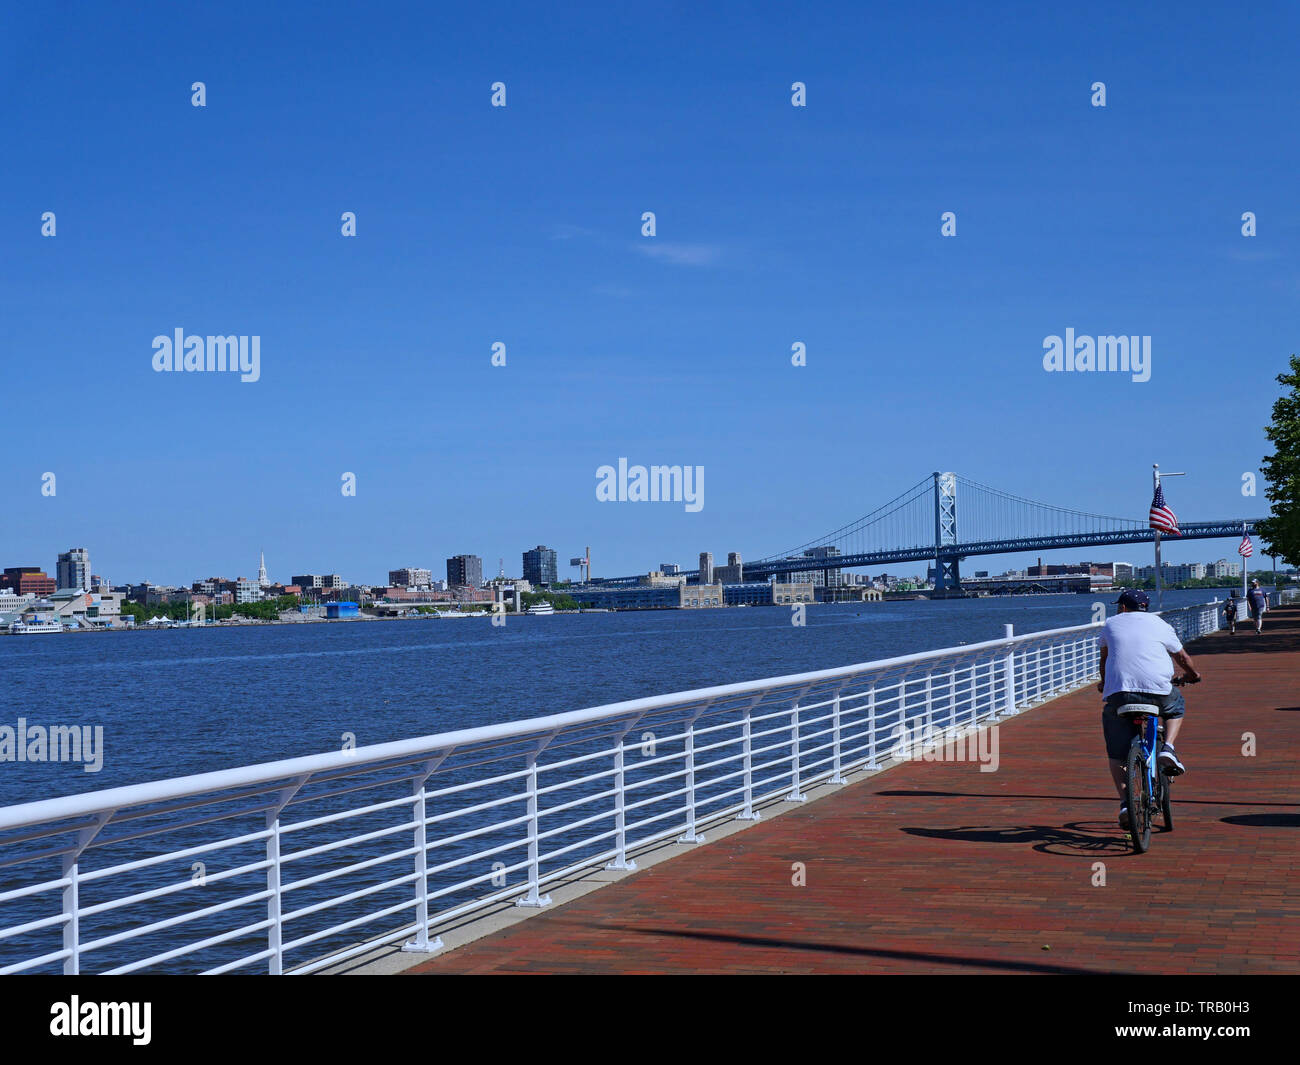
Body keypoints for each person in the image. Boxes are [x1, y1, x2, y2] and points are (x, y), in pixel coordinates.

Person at [1096, 589, 1201, 829]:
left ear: (1122, 607)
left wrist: (1104, 683)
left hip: (1120, 693)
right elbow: (1182, 657)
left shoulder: (1111, 624)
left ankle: (1125, 803)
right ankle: (1169, 749)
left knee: (1116, 753)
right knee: (1176, 707)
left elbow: (1105, 660)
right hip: (1158, 691)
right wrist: (1193, 675)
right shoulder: (1160, 624)